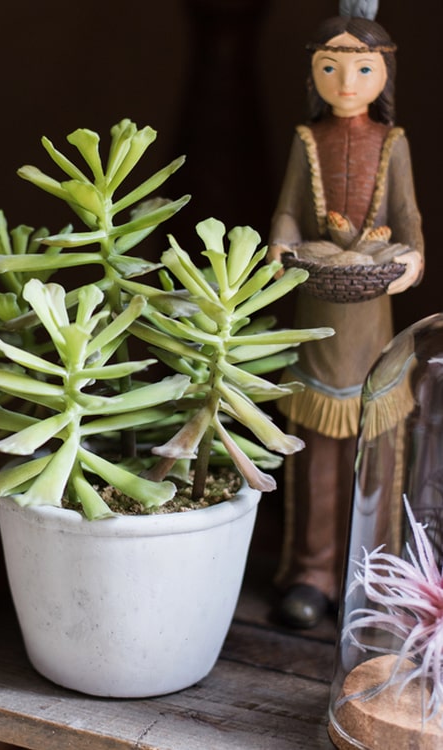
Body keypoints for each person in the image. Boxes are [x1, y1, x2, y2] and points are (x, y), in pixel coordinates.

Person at [267, 13, 424, 628]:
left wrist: (409, 262)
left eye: (362, 67)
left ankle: (369, 572)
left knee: (373, 449)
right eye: (330, 67)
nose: (347, 81)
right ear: (314, 73)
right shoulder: (307, 140)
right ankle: (313, 568)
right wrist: (281, 251)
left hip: (372, 321)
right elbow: (284, 213)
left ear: (383, 73)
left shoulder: (394, 142)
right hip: (315, 310)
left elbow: (409, 220)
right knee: (316, 452)